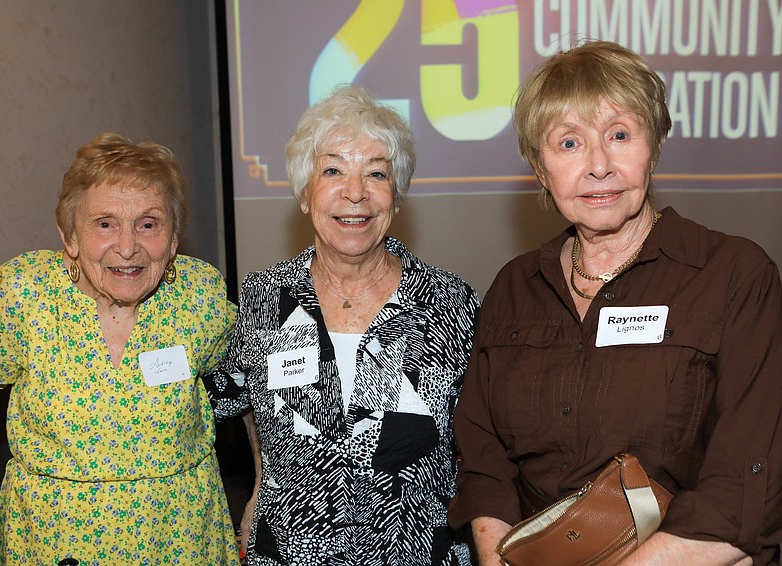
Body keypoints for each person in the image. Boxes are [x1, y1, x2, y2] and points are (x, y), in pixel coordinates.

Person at [448, 40, 782, 565]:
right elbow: (484, 459)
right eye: (569, 143)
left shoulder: (734, 276)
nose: (598, 165)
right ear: (540, 168)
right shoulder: (514, 287)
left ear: (654, 147)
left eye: (620, 135)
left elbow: (746, 481)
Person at [0, 133, 241, 565]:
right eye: (104, 224)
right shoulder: (29, 299)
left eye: (149, 224)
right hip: (51, 542)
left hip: (179, 538)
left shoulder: (199, 300)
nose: (128, 247)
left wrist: (262, 490)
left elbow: (249, 389)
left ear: (173, 240)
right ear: (70, 237)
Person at [205, 85, 479, 565]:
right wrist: (259, 481)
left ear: (396, 198)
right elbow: (246, 395)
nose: (355, 193)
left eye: (376, 173)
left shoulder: (450, 304)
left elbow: (482, 439)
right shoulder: (264, 299)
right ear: (306, 193)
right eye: (333, 170)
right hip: (290, 550)